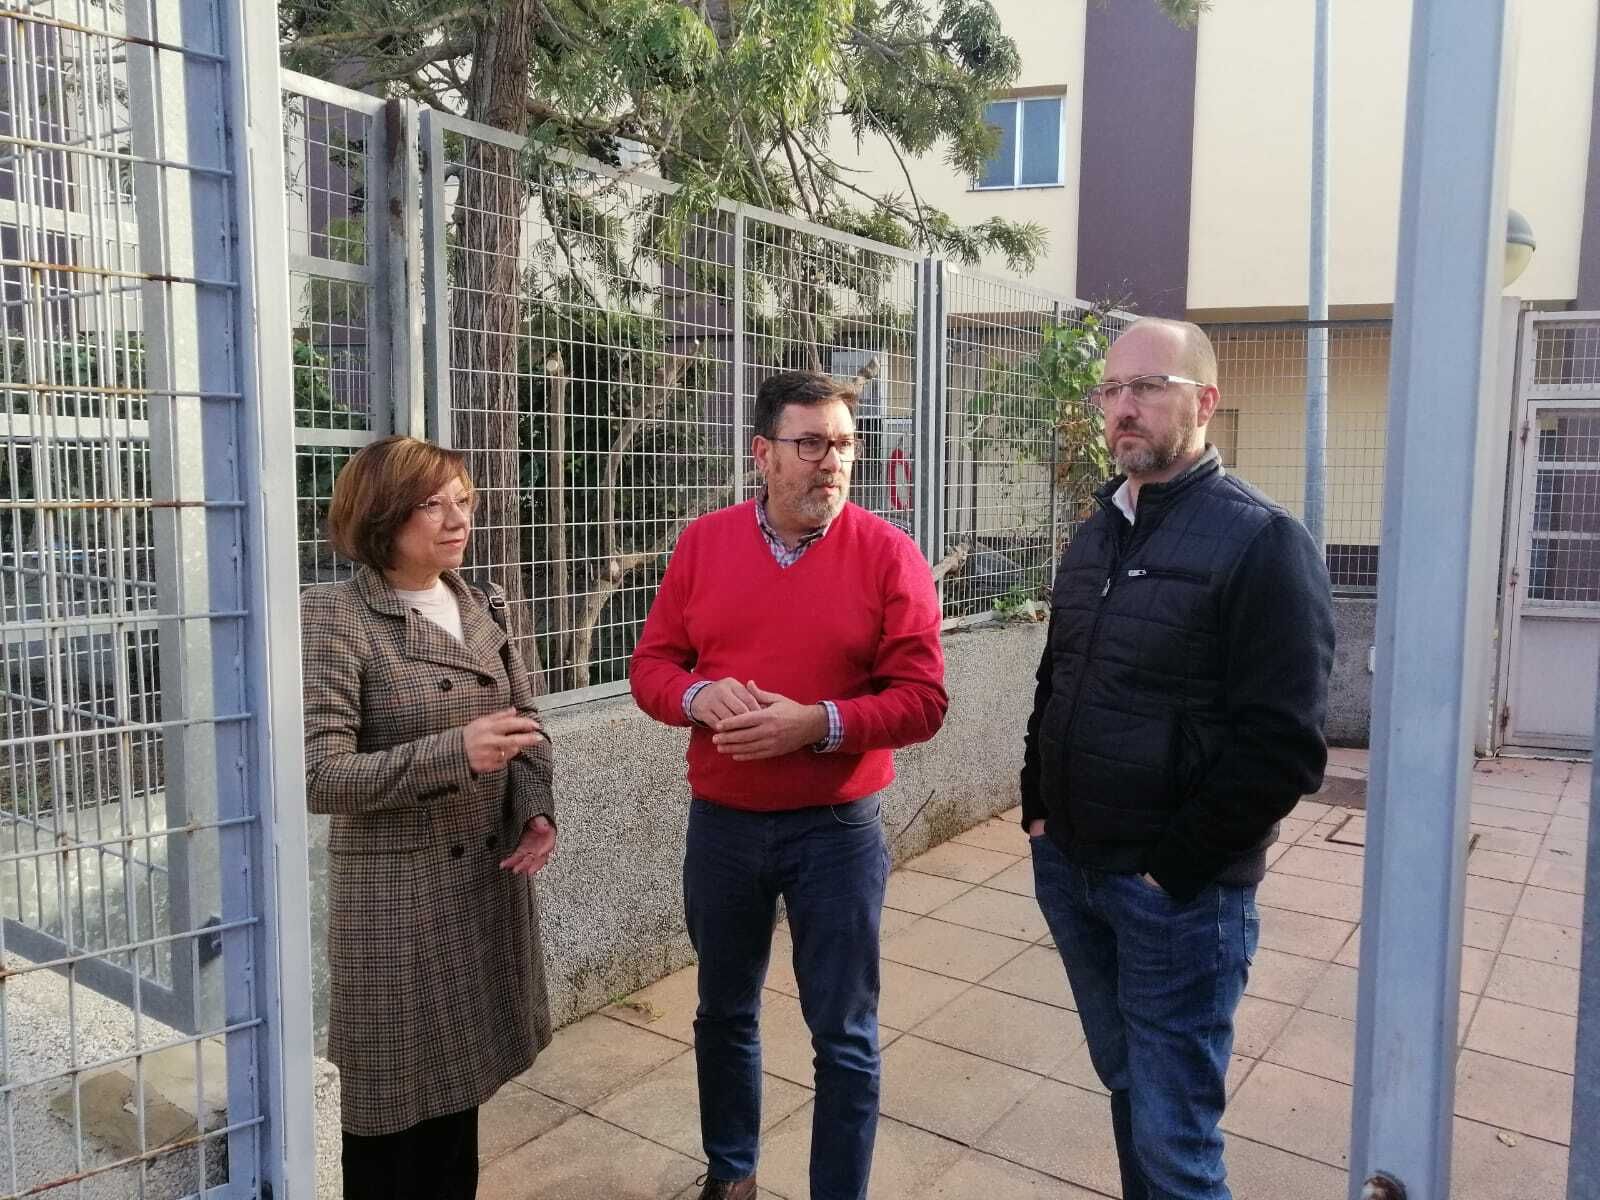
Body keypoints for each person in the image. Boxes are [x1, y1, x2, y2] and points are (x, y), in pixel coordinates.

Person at [1021, 318, 1335, 1200]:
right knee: (1129, 1091)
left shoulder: (1263, 541)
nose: (1124, 409)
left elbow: (1284, 747)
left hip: (1177, 901)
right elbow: (1057, 683)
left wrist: (1176, 869)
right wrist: (1037, 810)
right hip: (1075, 871)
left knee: (1177, 1145)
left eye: (1147, 388)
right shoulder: (1096, 536)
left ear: (1203, 402)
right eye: (1112, 391)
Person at [629, 371, 947, 1200]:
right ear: (763, 454)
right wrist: (697, 695)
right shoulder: (705, 543)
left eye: (844, 444)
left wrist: (820, 723)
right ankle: (731, 1174)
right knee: (723, 1013)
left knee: (843, 1035)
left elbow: (923, 700)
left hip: (835, 832)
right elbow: (653, 666)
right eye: (811, 444)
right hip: (724, 826)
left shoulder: (888, 554)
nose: (831, 462)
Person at [300, 435, 556, 1200]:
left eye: (464, 501)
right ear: (381, 516)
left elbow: (527, 719)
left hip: (483, 877)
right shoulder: (336, 616)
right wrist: (456, 752)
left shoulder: (479, 599)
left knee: (457, 1104)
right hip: (396, 900)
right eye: (432, 504)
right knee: (386, 1114)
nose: (456, 520)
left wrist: (535, 809)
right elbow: (319, 777)